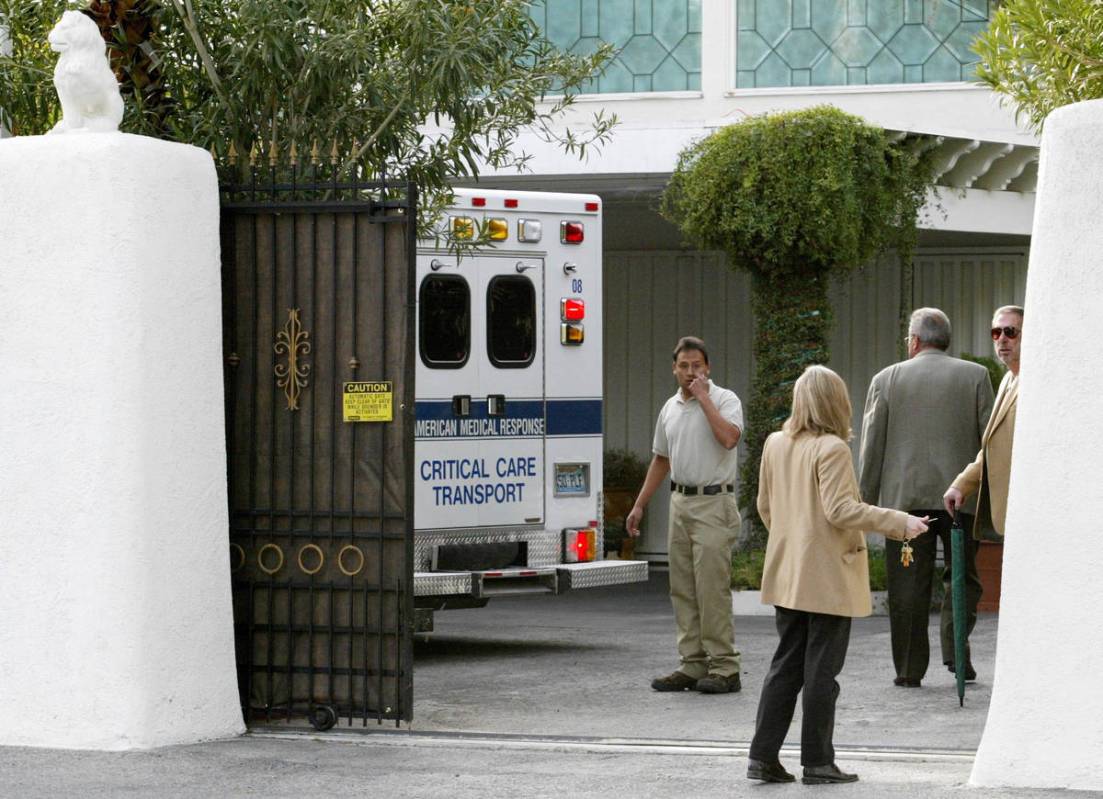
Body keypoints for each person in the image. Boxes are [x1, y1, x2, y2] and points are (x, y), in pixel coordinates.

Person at [748, 365, 928, 785]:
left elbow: (764, 506)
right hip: (826, 575)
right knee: (821, 673)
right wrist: (900, 522)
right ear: (836, 402)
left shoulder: (775, 443)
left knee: (785, 666)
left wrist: (792, 540)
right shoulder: (832, 448)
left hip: (788, 571)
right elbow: (841, 510)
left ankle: (762, 756)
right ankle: (818, 761)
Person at [858, 308, 994, 687]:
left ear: (914, 341)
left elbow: (873, 446)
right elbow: (991, 442)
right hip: (960, 500)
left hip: (905, 504)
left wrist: (865, 504)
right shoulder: (976, 376)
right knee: (962, 578)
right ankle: (957, 655)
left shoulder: (887, 379)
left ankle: (908, 668)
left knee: (906, 586)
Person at [626, 336, 744, 694]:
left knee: (712, 588)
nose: (691, 372)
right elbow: (661, 459)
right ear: (674, 369)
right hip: (681, 501)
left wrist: (704, 397)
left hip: (713, 501)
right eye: (684, 366)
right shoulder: (670, 407)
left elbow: (729, 438)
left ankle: (725, 666)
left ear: (708, 368)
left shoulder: (725, 400)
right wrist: (640, 504)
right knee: (682, 588)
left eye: (697, 365)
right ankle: (692, 663)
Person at [944, 305, 1023, 540]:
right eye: (996, 333)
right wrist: (962, 484)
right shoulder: (1008, 379)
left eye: (1010, 331)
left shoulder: (1035, 380)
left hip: (1027, 504)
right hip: (1008, 509)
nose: (1002, 339)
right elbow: (994, 446)